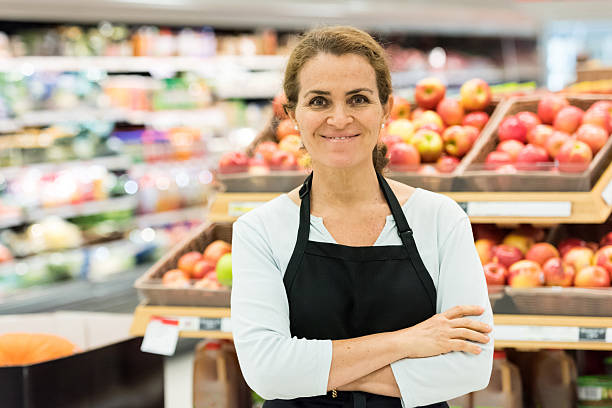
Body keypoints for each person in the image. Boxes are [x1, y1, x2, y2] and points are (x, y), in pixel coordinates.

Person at [231, 26, 494, 408]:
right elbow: (267, 373)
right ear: (292, 114)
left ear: (386, 108)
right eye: (319, 101)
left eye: (358, 99)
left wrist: (315, 373)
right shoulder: (260, 230)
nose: (339, 119)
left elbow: (470, 368)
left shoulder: (439, 219)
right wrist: (407, 342)